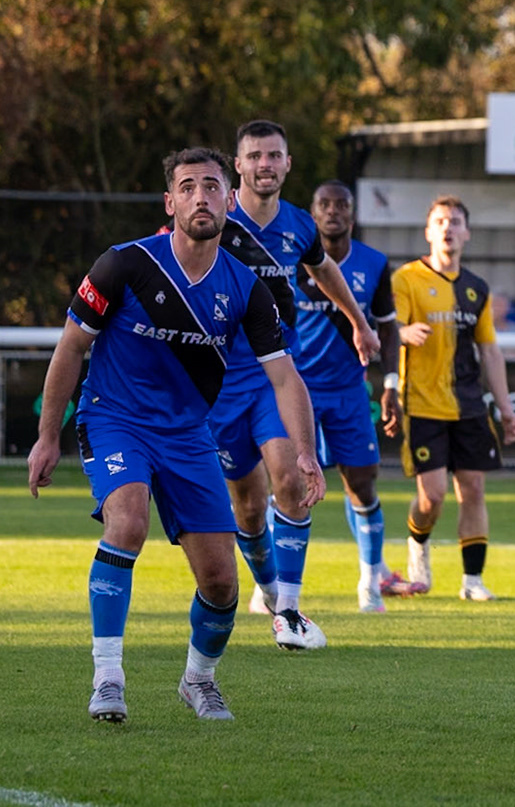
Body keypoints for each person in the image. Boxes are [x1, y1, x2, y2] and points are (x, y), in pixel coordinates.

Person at [27, 147, 326, 723]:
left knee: (221, 584)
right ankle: (108, 677)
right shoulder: (123, 264)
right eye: (187, 187)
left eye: (212, 187)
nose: (200, 197)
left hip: (190, 435)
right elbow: (71, 346)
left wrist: (306, 452)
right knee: (129, 520)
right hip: (115, 419)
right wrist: (47, 436)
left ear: (229, 200)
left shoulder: (246, 289)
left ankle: (198, 680)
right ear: (171, 202)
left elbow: (284, 377)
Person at [211, 120, 381, 650]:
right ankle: (268, 587)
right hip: (215, 381)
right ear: (237, 165)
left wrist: (358, 321)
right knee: (247, 507)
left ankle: (288, 611)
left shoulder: (299, 225)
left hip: (272, 375)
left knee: (290, 481)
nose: (265, 164)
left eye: (275, 156)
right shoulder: (213, 217)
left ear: (288, 165)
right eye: (255, 156)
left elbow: (324, 268)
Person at [384, 195, 515, 599]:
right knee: (432, 498)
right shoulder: (407, 279)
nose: (448, 228)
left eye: (456, 221)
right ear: (429, 232)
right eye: (441, 221)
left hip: (468, 404)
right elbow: (389, 328)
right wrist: (404, 333)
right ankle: (417, 549)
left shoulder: (476, 288)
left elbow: (490, 352)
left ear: (467, 233)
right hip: (422, 403)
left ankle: (472, 581)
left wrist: (507, 407)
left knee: (474, 489)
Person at [287, 179, 413, 611]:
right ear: (312, 213)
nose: (333, 211)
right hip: (296, 390)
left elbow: (388, 327)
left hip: (349, 392)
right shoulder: (289, 261)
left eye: (342, 205)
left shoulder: (375, 263)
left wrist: (392, 385)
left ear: (353, 215)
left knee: (362, 483)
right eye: (324, 204)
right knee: (288, 486)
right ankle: (274, 587)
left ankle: (369, 582)